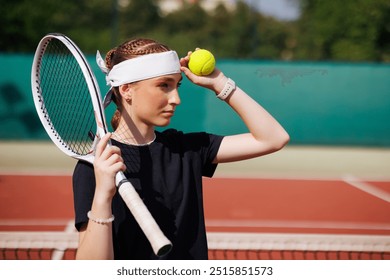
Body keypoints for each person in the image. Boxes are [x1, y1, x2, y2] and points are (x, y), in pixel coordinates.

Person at [72, 38, 289, 260]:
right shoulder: (97, 166)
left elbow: (273, 138)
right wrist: (102, 196)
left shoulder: (187, 150)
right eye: (164, 85)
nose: (176, 99)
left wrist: (220, 83)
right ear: (127, 89)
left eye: (177, 85)